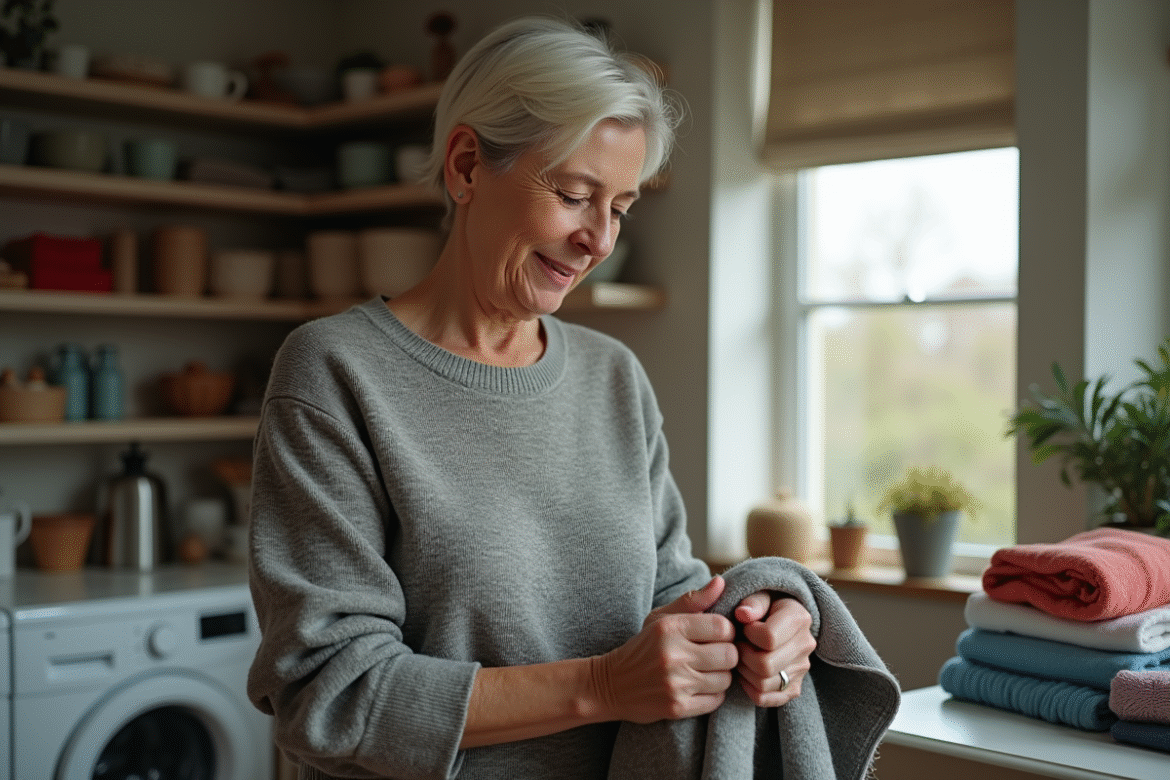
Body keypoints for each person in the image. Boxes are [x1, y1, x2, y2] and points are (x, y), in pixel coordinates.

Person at [247, 16, 817, 780]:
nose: (601, 241)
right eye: (576, 195)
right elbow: (329, 693)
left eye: (619, 207)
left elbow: (674, 597)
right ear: (467, 166)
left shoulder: (613, 376)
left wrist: (757, 635)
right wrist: (606, 685)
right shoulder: (336, 372)